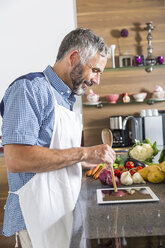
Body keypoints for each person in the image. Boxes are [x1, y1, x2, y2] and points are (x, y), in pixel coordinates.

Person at [0, 28, 116, 248]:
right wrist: (85, 152)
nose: (97, 80)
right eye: (95, 70)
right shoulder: (29, 89)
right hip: (35, 218)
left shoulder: (66, 99)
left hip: (61, 211)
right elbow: (17, 160)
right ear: (73, 58)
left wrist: (84, 162)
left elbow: (53, 157)